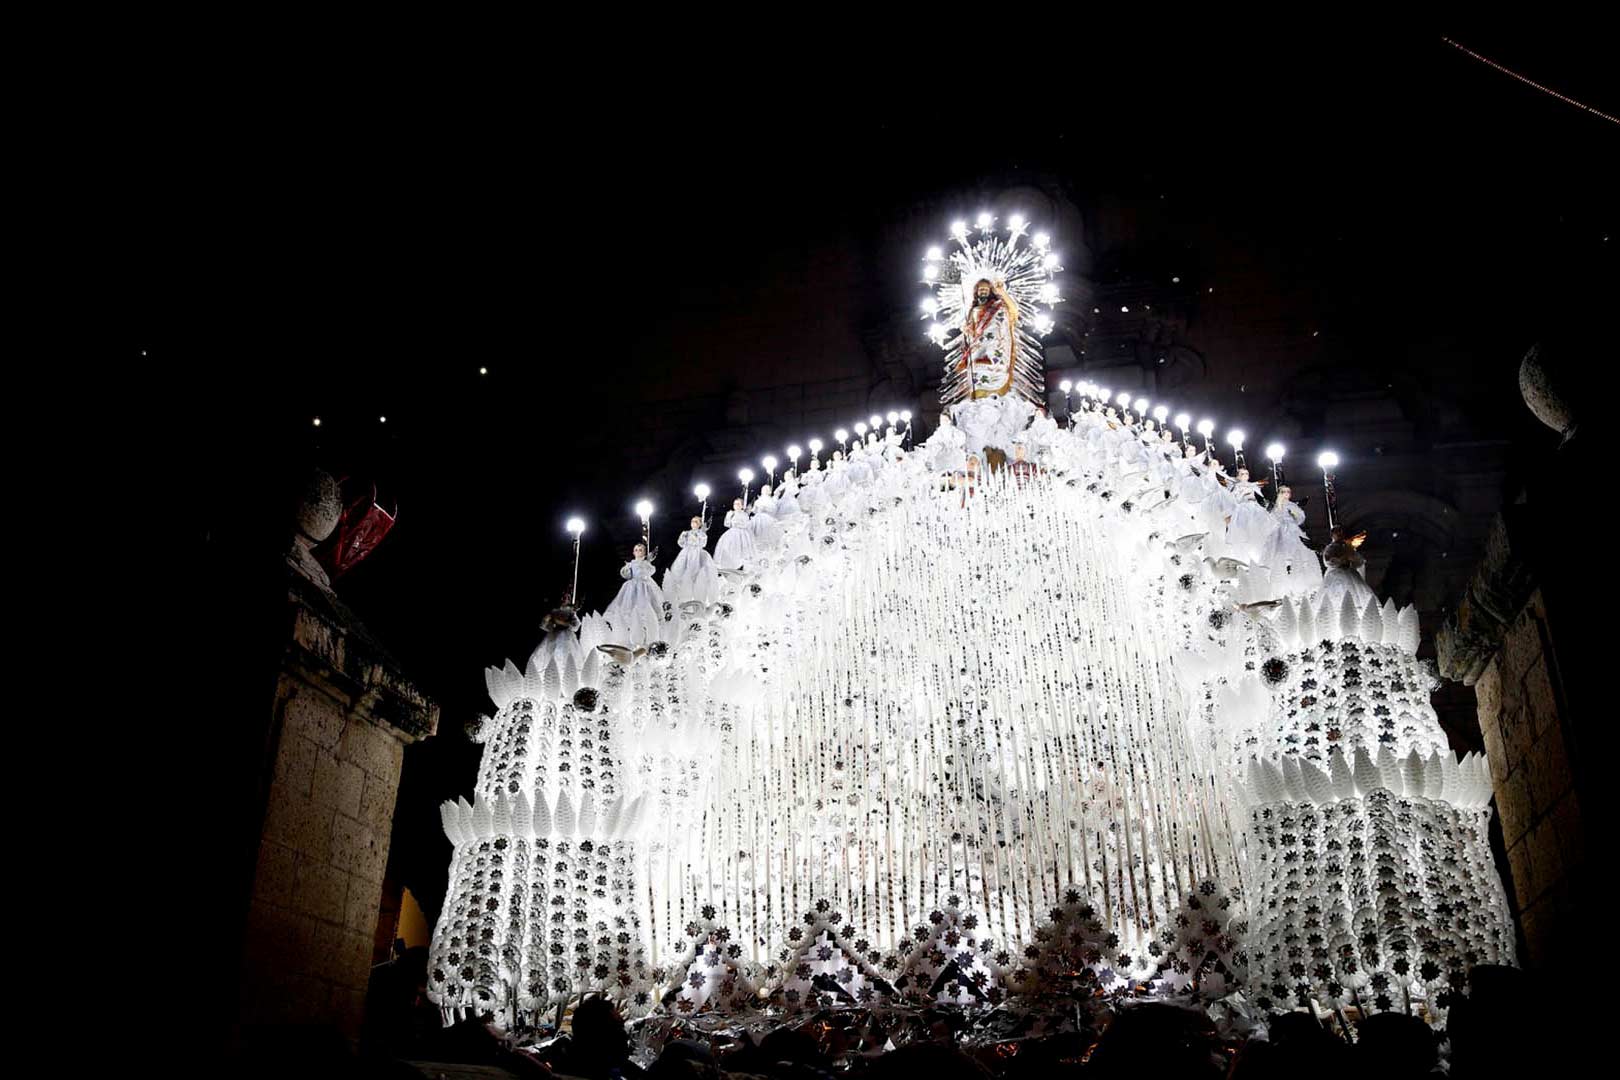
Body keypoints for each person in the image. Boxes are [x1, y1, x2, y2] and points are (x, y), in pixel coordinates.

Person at [603, 542, 665, 646]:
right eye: (636, 550)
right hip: (632, 587)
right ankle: (629, 632)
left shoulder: (646, 563)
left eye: (640, 550)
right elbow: (626, 575)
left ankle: (645, 631)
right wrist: (627, 568)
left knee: (645, 604)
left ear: (644, 552)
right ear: (633, 552)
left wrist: (647, 563)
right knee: (628, 605)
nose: (638, 552)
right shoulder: (631, 563)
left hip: (644, 587)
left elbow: (650, 572)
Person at [662, 516, 722, 607]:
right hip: (686, 553)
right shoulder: (686, 533)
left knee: (697, 572)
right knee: (681, 571)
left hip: (697, 554)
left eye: (696, 522)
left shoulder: (702, 534)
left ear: (700, 524)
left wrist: (700, 535)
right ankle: (682, 596)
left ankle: (698, 594)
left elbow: (703, 544)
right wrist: (683, 537)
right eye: (692, 521)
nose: (694, 523)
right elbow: (681, 543)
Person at [713, 497, 757, 571]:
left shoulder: (744, 514)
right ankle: (729, 566)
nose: (736, 505)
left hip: (742, 534)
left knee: (742, 551)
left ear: (742, 506)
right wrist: (729, 517)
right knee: (729, 548)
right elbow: (726, 524)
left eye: (738, 504)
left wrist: (737, 524)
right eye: (735, 504)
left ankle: (741, 566)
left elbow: (746, 524)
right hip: (731, 533)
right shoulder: (731, 513)